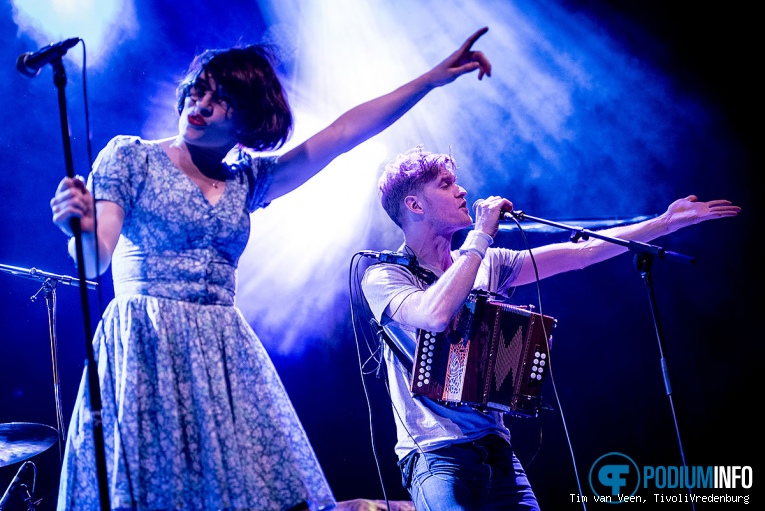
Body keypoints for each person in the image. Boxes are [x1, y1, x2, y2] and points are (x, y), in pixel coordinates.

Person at [48, 28, 492, 511]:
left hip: (224, 349)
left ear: (249, 119)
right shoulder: (130, 157)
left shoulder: (248, 182)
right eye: (197, 90)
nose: (199, 105)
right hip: (146, 342)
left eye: (220, 100)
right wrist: (81, 229)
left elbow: (343, 134)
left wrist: (429, 80)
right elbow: (94, 259)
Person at [360, 146, 741, 510]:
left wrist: (664, 223)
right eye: (445, 184)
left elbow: (579, 254)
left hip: (496, 447)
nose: (461, 190)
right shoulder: (384, 275)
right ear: (414, 205)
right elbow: (435, 314)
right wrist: (480, 236)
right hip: (436, 455)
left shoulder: (487, 263)